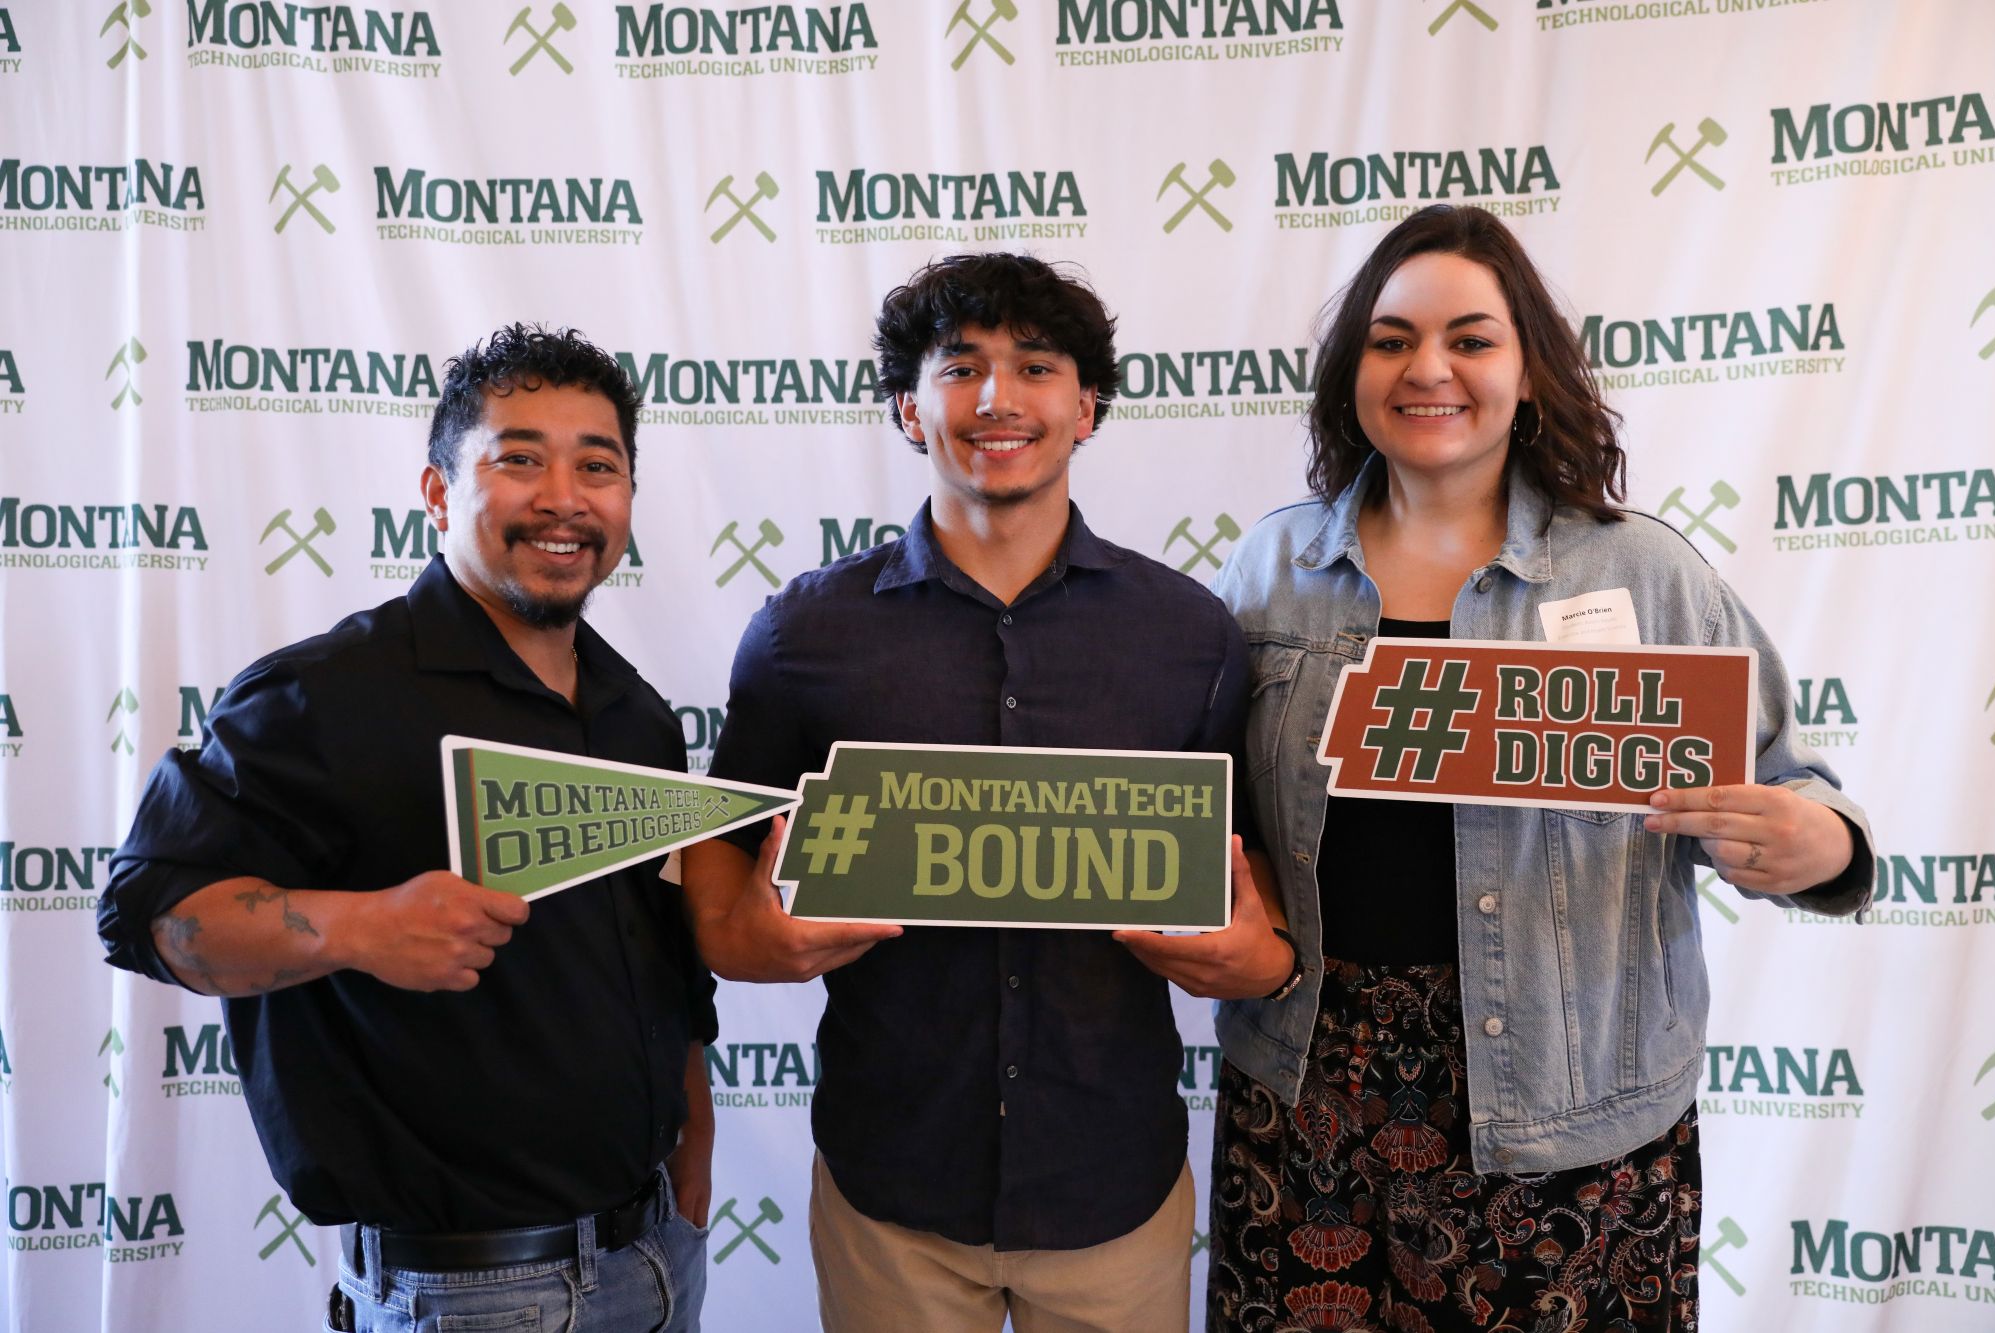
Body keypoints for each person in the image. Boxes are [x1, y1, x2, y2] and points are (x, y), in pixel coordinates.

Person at [1204, 206, 1872, 1332]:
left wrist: (1819, 845)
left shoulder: (1641, 571)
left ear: (1526, 372)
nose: (1427, 368)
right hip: (1306, 1099)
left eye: (1469, 339)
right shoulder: (1273, 565)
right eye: (1388, 338)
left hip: (1574, 1113)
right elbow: (1215, 806)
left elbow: (1793, 787)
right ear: (1349, 370)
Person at [682, 252, 1292, 1332]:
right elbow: (722, 846)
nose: (998, 398)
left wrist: (1251, 959)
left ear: (1085, 407)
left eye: (1036, 367)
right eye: (959, 368)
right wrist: (744, 938)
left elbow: (1256, 884)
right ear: (908, 411)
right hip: (892, 1183)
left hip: (1112, 1183)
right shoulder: (802, 635)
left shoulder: (1188, 636)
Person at [99, 325, 715, 1333]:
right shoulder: (324, 696)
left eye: (596, 466)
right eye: (518, 458)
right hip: (468, 1292)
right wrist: (362, 928)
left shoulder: (633, 714)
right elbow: (148, 916)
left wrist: (688, 1175)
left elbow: (665, 969)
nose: (563, 496)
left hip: (652, 1263)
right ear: (436, 493)